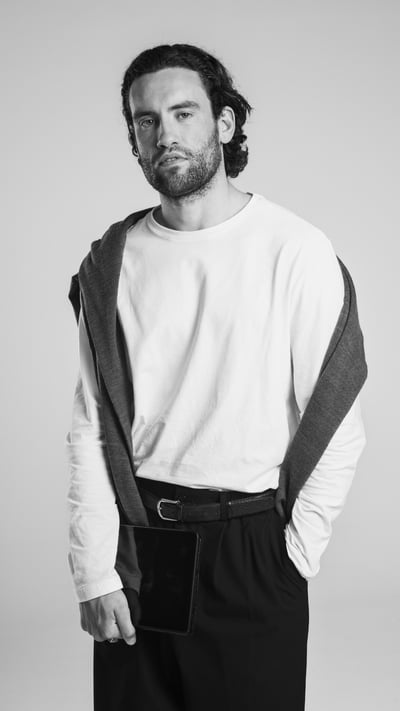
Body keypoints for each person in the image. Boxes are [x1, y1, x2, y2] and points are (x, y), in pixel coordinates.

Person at [66, 43, 367, 711]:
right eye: (146, 121)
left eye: (183, 113)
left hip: (253, 545)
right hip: (141, 539)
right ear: (133, 140)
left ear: (224, 124)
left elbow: (338, 417)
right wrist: (92, 571)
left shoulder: (295, 249)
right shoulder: (111, 264)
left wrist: (297, 552)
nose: (164, 134)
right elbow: (91, 425)